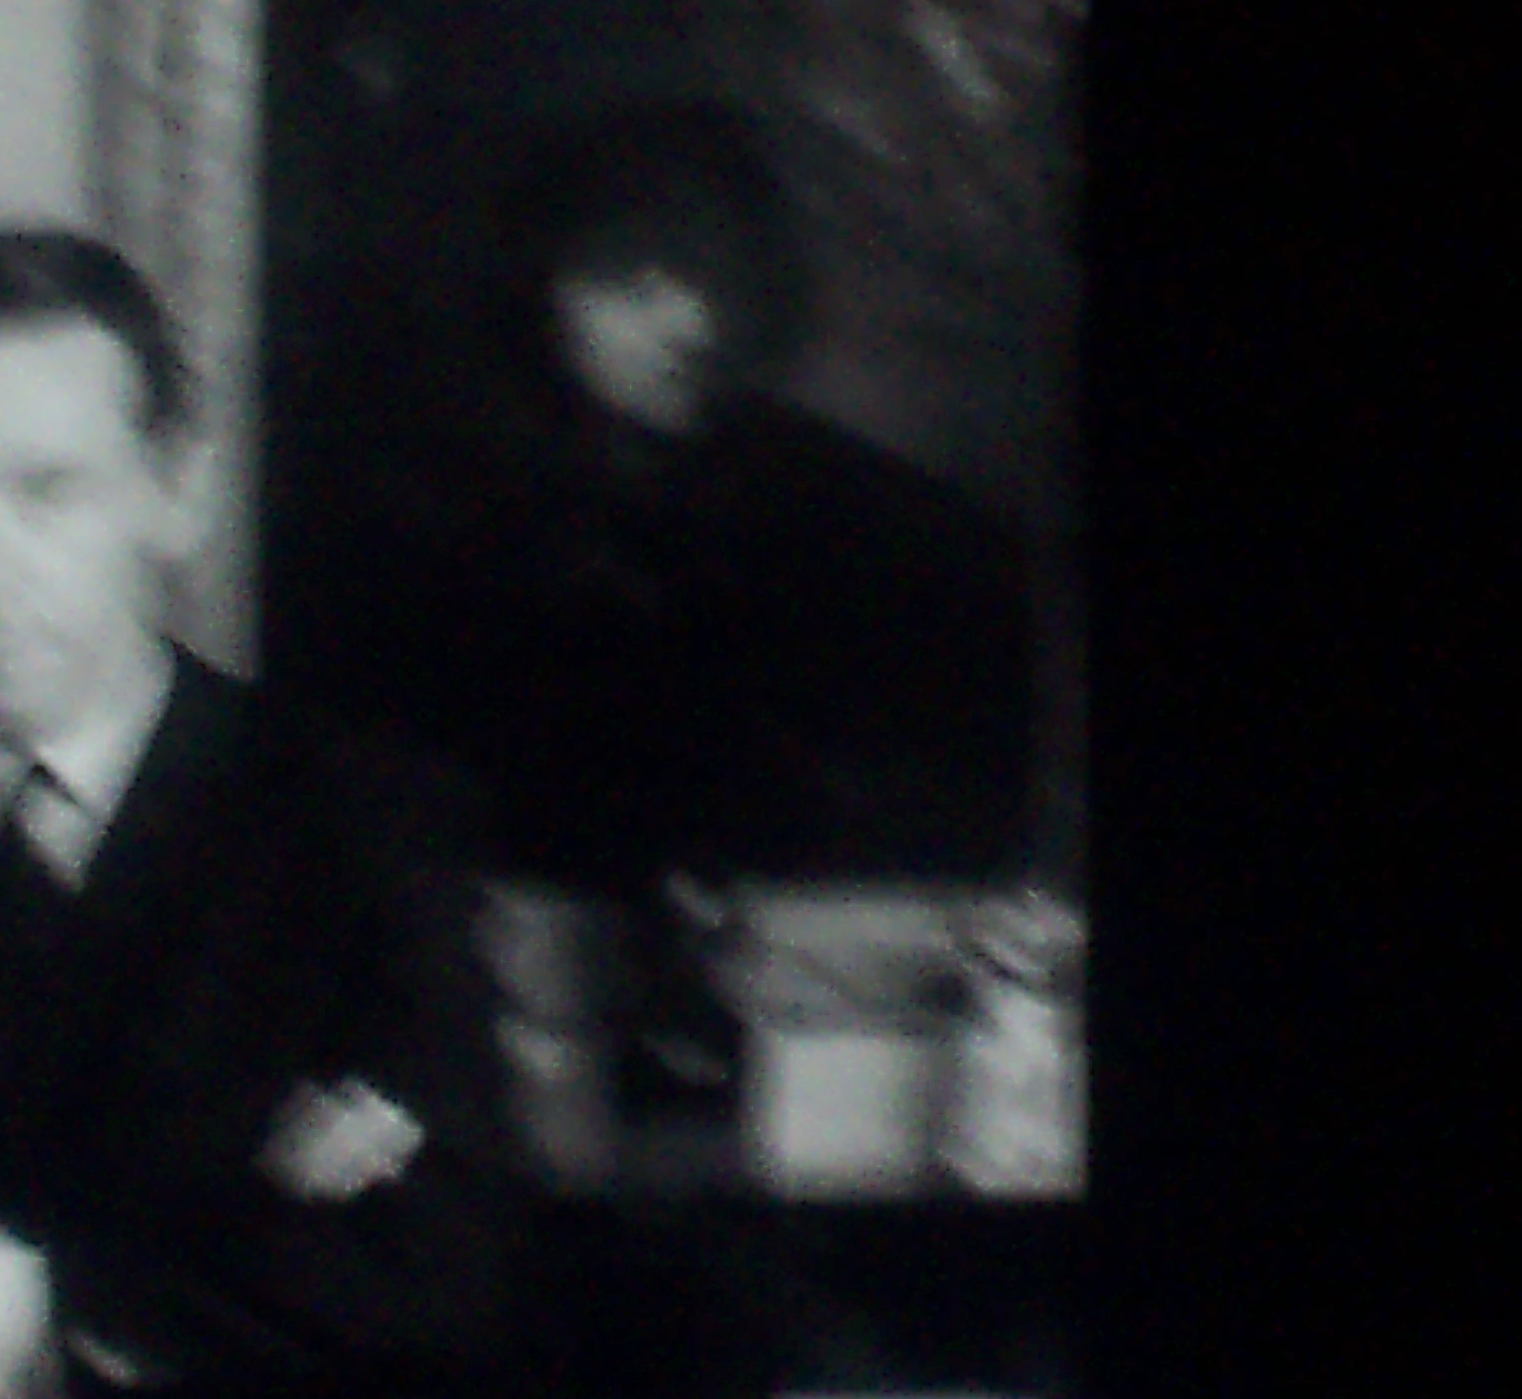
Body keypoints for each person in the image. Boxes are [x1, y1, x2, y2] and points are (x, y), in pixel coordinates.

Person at [0, 229, 534, 1399]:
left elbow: (427, 1272)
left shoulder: (361, 823)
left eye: (46, 492)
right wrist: (230, 1235)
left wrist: (44, 1311)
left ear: (176, 492)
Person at [266, 95, 1040, 897]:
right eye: (635, 286)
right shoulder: (431, 521)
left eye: (716, 278)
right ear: (537, 290)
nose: (693, 325)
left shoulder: (819, 492)